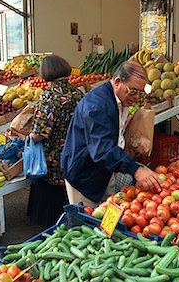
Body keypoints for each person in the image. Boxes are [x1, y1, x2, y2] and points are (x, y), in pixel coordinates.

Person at [61, 60, 161, 207]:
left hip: (101, 170)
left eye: (141, 92)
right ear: (117, 82)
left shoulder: (118, 99)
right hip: (84, 174)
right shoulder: (97, 106)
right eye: (133, 91)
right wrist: (135, 169)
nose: (136, 98)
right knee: (87, 222)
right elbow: (102, 149)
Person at [27, 54, 84, 227]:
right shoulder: (78, 93)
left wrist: (28, 136)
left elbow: (39, 133)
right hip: (74, 152)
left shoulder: (49, 97)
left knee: (49, 193)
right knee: (67, 191)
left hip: (53, 156)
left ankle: (49, 224)